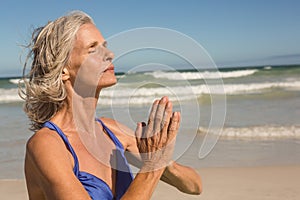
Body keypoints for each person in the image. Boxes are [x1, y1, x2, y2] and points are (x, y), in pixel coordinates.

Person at [19, 10, 202, 200]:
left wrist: (161, 158)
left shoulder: (112, 132)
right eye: (93, 48)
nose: (109, 54)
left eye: (105, 46)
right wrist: (152, 167)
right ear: (63, 70)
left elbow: (195, 185)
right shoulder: (47, 144)